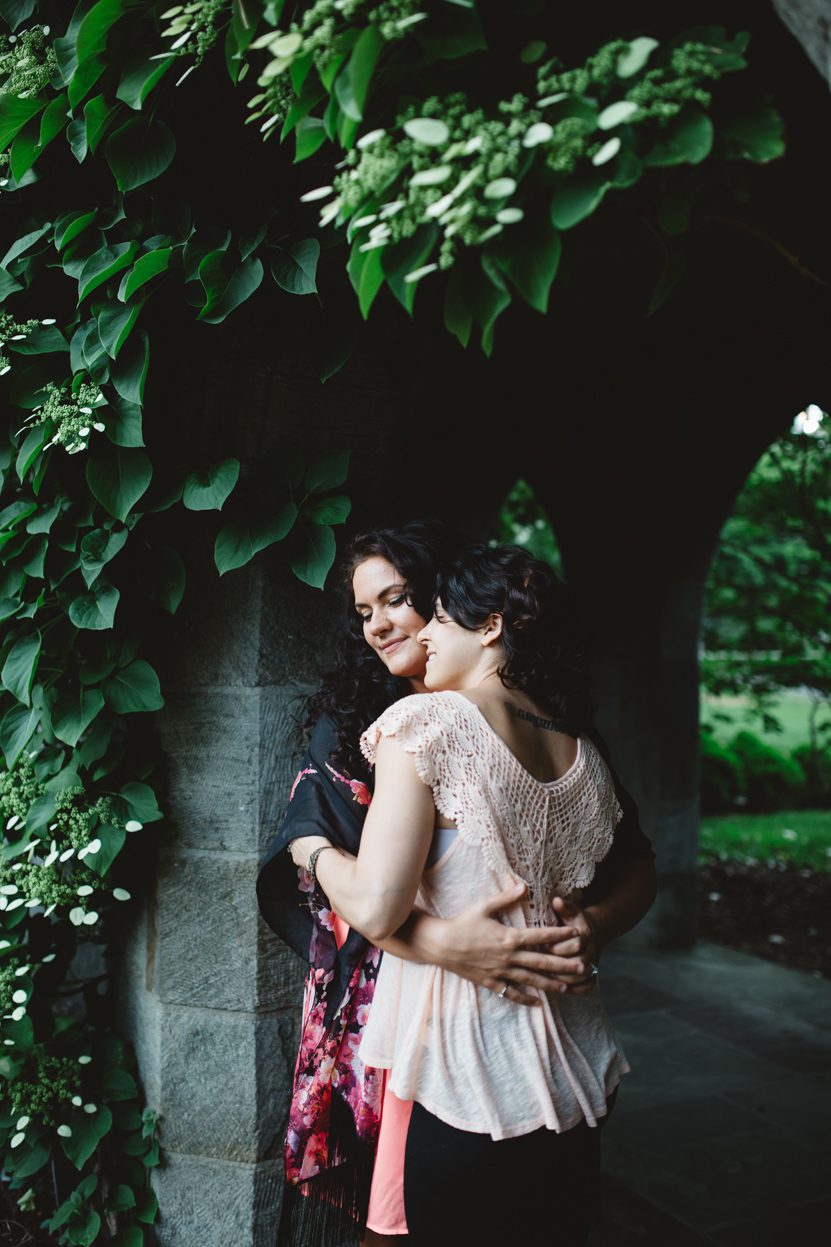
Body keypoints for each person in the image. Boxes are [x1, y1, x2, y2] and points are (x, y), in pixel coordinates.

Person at [257, 523, 656, 1246]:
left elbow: (377, 899)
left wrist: (308, 848)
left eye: (411, 603)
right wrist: (445, 940)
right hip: (506, 1040)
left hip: (460, 1047)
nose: (382, 625)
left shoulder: (424, 718)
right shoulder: (574, 746)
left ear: (478, 617)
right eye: (362, 612)